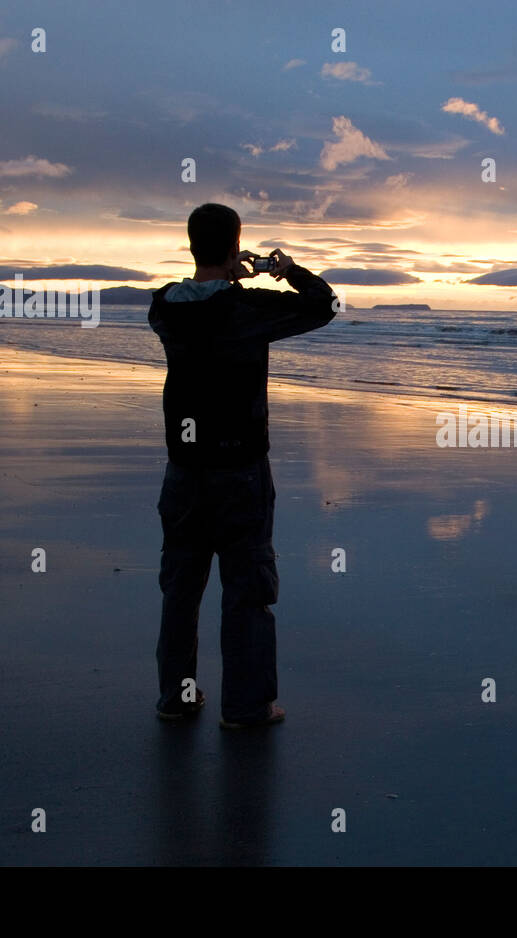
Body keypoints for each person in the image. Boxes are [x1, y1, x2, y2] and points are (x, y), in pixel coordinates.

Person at [147, 203, 336, 727]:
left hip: (183, 469)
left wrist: (226, 271)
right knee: (248, 589)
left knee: (181, 589)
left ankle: (177, 697)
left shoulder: (164, 308)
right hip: (240, 468)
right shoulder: (247, 307)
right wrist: (283, 268)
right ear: (236, 245)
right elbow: (325, 305)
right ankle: (248, 705)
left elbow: (191, 299)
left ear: (190, 247)